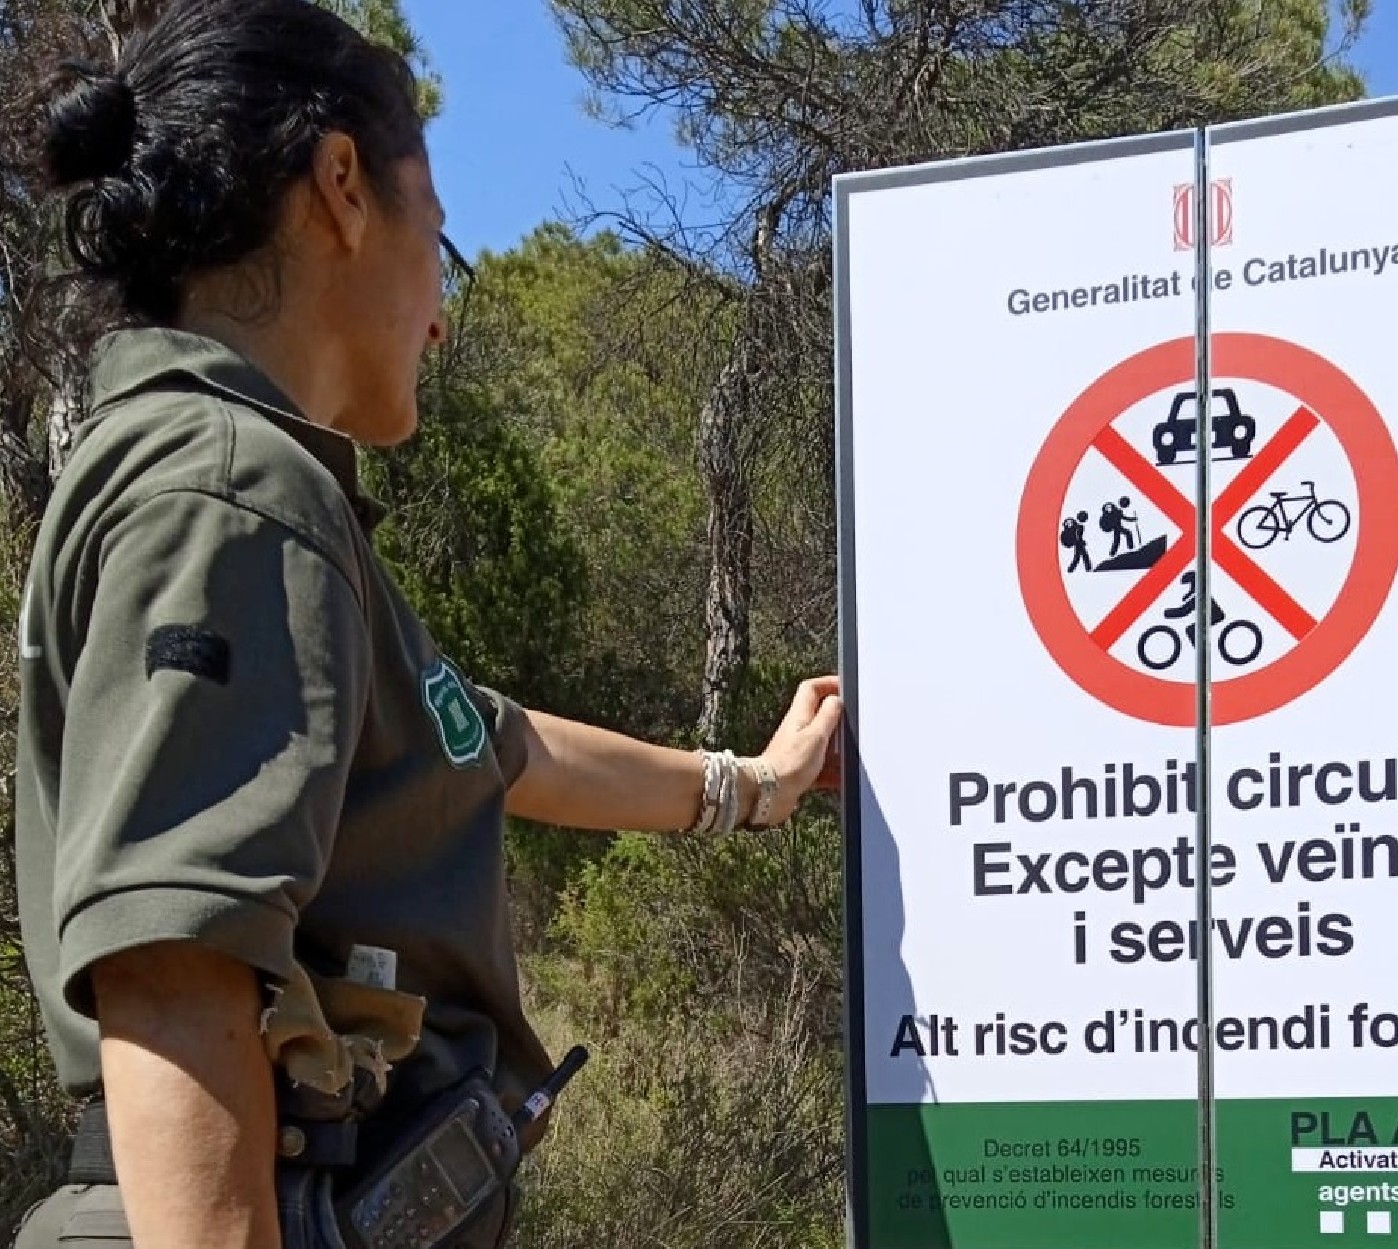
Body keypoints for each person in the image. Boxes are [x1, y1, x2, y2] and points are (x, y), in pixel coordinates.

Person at [8, 2, 841, 1246]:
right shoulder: (231, 492)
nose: (442, 316)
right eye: (439, 239)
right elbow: (175, 973)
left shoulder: (234, 485)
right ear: (342, 187)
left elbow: (493, 744)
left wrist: (753, 785)